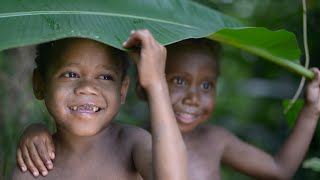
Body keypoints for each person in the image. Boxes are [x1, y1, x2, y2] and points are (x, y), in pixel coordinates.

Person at [17, 37, 320, 180]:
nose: (192, 98)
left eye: (206, 85)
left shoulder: (137, 145)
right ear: (141, 85)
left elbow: (279, 170)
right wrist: (33, 130)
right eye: (175, 80)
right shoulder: (140, 144)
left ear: (124, 89)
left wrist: (311, 110)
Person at [11, 30, 187, 180]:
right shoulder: (33, 165)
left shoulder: (132, 143)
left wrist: (156, 83)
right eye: (70, 74)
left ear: (122, 90)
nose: (87, 88)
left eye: (105, 77)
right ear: (39, 84)